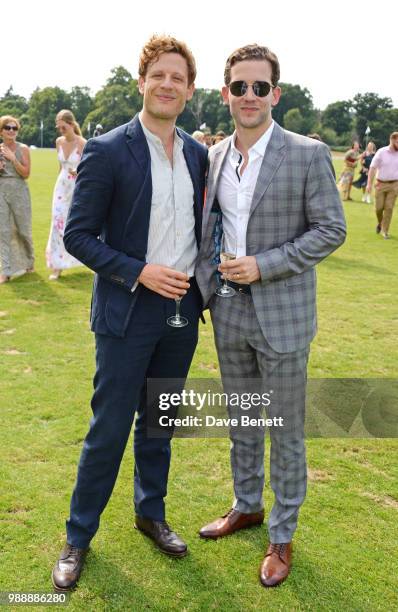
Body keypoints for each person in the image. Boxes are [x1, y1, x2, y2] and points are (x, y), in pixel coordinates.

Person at [51, 35, 207, 591]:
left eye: (178, 78)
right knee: (110, 426)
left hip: (182, 313)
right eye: (158, 75)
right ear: (142, 81)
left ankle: (150, 514)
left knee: (160, 423)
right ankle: (77, 536)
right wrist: (138, 270)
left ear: (189, 90)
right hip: (126, 310)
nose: (168, 84)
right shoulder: (108, 148)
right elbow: (77, 235)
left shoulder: (196, 153)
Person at [195, 43, 346, 587]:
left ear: (275, 94)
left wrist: (265, 265)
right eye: (240, 86)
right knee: (243, 421)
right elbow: (208, 229)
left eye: (260, 87)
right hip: (229, 313)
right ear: (226, 93)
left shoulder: (307, 153)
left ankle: (281, 533)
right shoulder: (212, 156)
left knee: (283, 429)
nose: (250, 96)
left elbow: (331, 229)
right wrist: (210, 287)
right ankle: (246, 505)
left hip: (282, 315)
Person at [46, 110, 86, 280]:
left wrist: (78, 172)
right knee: (57, 223)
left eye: (63, 126)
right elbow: (59, 167)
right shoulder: (58, 142)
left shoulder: (83, 143)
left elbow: (88, 169)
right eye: (58, 127)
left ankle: (86, 260)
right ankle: (57, 265)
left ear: (71, 124)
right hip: (61, 187)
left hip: (77, 187)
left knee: (78, 224)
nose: (60, 130)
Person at [0, 115, 35, 284]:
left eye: (15, 128)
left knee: (23, 230)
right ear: (1, 131)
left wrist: (13, 158)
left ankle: (29, 261)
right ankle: (5, 271)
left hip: (19, 191)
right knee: (4, 231)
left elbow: (26, 174)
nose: (12, 131)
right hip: (1, 191)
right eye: (8, 127)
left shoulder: (24, 149)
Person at [366, 132, 398, 239]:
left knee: (389, 208)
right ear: (392, 140)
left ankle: (385, 231)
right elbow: (372, 168)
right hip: (380, 183)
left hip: (394, 185)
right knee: (378, 208)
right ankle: (380, 223)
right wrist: (369, 184)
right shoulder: (381, 152)